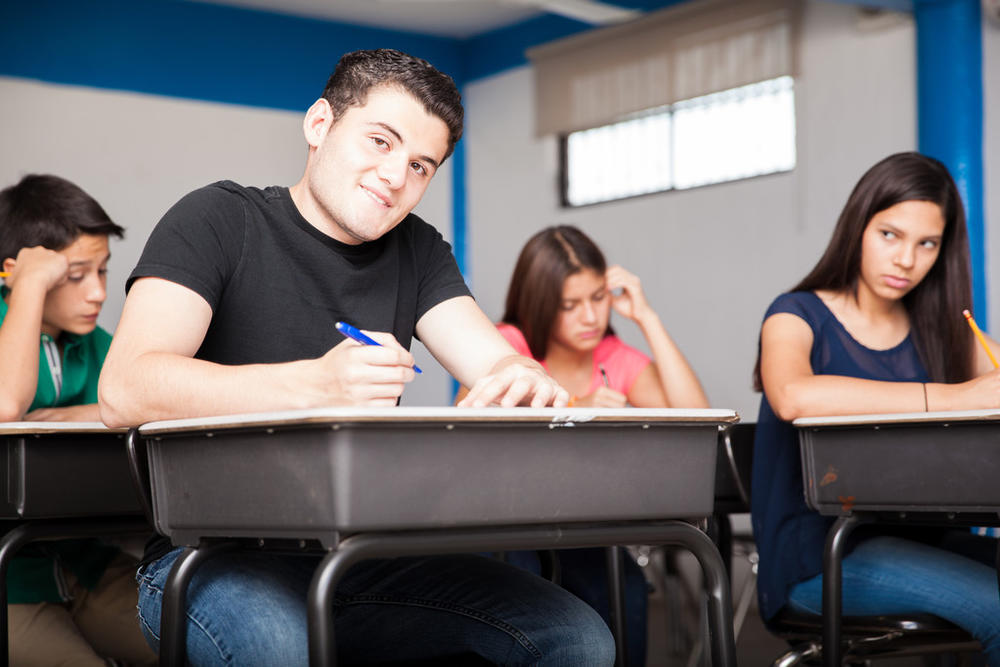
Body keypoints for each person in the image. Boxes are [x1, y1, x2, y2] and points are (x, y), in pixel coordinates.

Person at [98, 49, 616, 665]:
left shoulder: (419, 251)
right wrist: (316, 384)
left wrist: (523, 381)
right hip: (209, 555)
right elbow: (125, 388)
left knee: (575, 637)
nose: (396, 176)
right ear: (320, 125)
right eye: (380, 141)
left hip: (363, 557)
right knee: (275, 644)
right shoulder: (217, 218)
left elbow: (496, 363)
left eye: (421, 165)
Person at [751, 151, 1000, 662]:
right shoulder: (795, 315)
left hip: (926, 539)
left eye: (927, 243)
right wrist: (952, 397)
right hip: (822, 556)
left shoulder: (944, 331)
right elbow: (793, 395)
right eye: (890, 235)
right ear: (858, 227)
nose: (907, 260)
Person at [456, 224, 710, 665]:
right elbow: (470, 415)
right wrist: (576, 406)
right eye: (569, 305)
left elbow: (696, 414)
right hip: (502, 524)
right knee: (523, 586)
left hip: (579, 528)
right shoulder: (509, 344)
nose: (590, 317)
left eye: (598, 298)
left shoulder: (613, 355)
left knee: (627, 586)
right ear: (539, 306)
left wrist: (646, 318)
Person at [0, 174, 157, 666]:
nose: (97, 294)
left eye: (103, 272)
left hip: (87, 564)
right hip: (12, 582)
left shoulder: (93, 343)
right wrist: (23, 287)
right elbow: (6, 403)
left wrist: (78, 411)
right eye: (75, 276)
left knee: (184, 644)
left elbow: (148, 396)